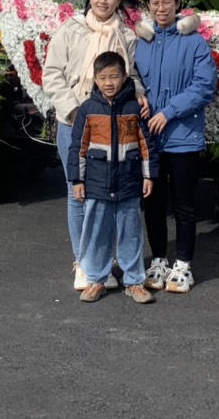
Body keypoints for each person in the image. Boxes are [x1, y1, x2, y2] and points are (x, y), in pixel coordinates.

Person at [41, 0, 148, 290]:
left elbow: (132, 75)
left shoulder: (126, 36)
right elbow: (52, 74)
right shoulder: (72, 30)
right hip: (75, 121)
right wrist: (73, 110)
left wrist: (139, 92)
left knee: (112, 193)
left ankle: (105, 261)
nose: (103, 1)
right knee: (79, 190)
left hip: (113, 126)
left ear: (119, 0)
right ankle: (84, 264)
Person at [134, 0, 218, 295]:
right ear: (148, 6)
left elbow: (204, 86)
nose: (161, 8)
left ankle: (183, 264)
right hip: (150, 138)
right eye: (155, 3)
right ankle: (158, 260)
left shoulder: (194, 42)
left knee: (183, 203)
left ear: (177, 4)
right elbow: (131, 77)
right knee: (153, 202)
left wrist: (168, 111)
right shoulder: (142, 42)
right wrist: (140, 98)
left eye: (166, 2)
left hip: (183, 134)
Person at [65, 52, 158, 304]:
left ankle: (134, 281)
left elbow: (145, 144)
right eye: (103, 77)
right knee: (96, 232)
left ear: (124, 77)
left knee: (131, 232)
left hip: (128, 182)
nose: (109, 82)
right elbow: (78, 148)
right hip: (96, 184)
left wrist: (148, 175)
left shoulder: (133, 108)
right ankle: (96, 279)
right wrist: (78, 180)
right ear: (94, 79)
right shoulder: (87, 110)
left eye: (114, 76)